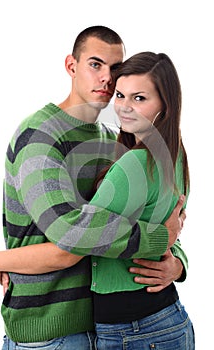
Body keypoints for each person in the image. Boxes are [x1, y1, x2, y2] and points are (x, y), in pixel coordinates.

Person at [0, 26, 187, 350]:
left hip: (104, 328)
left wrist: (175, 262)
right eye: (95, 65)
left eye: (115, 68)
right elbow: (69, 234)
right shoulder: (41, 136)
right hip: (49, 332)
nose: (107, 78)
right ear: (71, 66)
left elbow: (163, 209)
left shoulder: (113, 140)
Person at [87, 51, 194, 349]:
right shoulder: (176, 155)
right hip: (164, 322)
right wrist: (178, 264)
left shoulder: (135, 163)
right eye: (120, 95)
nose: (124, 108)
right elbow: (171, 230)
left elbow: (82, 235)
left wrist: (4, 261)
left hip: (135, 330)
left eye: (139, 98)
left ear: (165, 104)